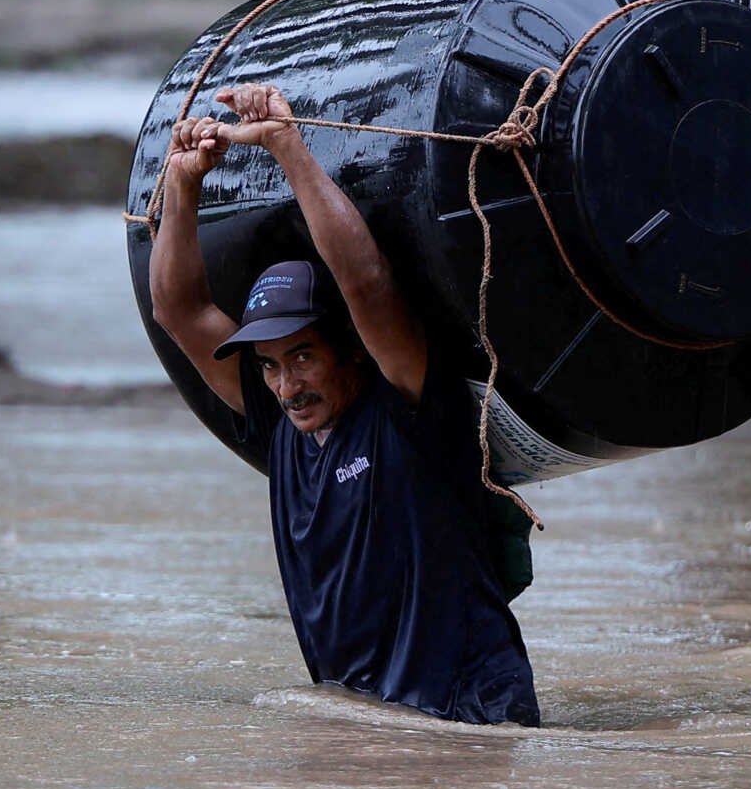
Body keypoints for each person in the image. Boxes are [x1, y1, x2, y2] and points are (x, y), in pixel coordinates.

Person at [148, 81, 541, 726]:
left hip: (471, 713)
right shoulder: (280, 428)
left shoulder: (409, 407)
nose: (285, 385)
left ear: (352, 351)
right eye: (269, 365)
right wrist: (184, 182)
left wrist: (285, 145)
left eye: (302, 356)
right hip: (369, 718)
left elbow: (365, 283)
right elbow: (179, 310)